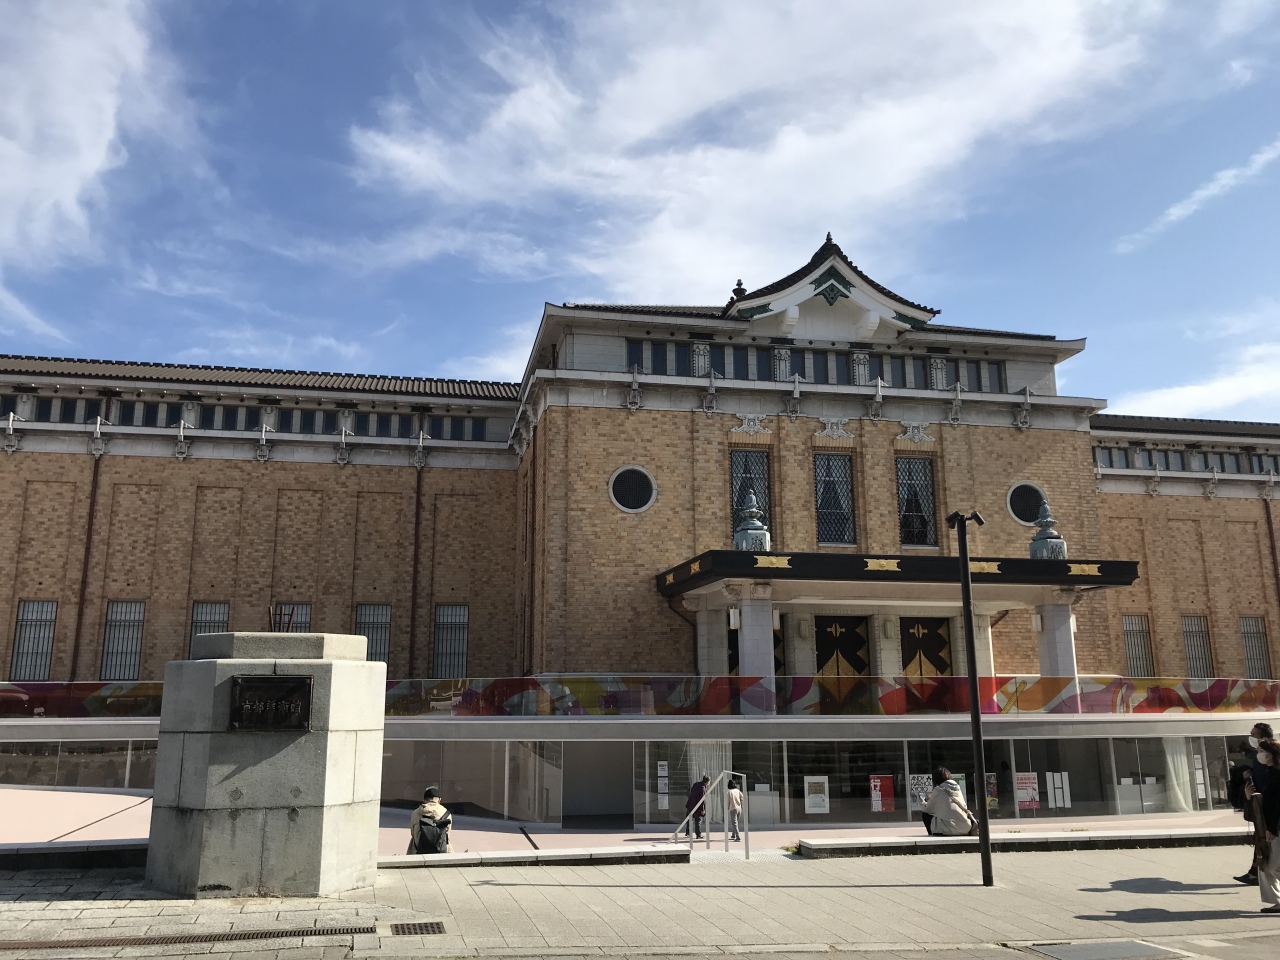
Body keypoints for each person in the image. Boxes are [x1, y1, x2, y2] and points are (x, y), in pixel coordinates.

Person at [1236, 723, 1276, 886]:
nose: (1251, 737)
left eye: (1254, 734)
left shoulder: (1271, 758)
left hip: (1268, 806)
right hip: (1260, 802)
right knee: (1261, 838)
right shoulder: (1257, 756)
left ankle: (1257, 871)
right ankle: (1255, 871)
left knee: (1264, 839)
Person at [1251, 738, 1280, 913]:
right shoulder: (1269, 772)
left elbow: (1277, 805)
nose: (1259, 754)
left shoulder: (1276, 774)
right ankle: (1277, 901)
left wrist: (1272, 829)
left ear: (1271, 754)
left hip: (1276, 827)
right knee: (1268, 866)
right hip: (1272, 826)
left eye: (1262, 751)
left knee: (1271, 867)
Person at [921, 767, 978, 837]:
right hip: (965, 827)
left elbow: (927, 809)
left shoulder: (938, 790)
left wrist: (923, 802)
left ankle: (932, 835)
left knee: (926, 814)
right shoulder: (957, 789)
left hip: (950, 829)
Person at [407, 786, 452, 855]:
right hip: (441, 851)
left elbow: (413, 833)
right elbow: (447, 834)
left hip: (419, 851)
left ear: (424, 800)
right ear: (439, 800)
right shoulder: (446, 814)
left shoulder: (415, 813)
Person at [685, 775, 710, 839]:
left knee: (689, 819)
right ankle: (698, 834)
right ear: (707, 782)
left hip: (690, 804)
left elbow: (691, 793)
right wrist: (702, 809)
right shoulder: (702, 788)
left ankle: (688, 832)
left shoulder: (695, 785)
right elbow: (702, 800)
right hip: (697, 806)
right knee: (698, 820)